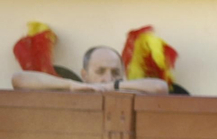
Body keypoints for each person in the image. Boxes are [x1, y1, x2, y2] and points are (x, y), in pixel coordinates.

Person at [12, 45, 171, 95]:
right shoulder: (73, 89)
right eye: (100, 72)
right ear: (85, 75)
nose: (108, 78)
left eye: (115, 73)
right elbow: (19, 80)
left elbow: (160, 87)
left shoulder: (126, 91)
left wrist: (114, 87)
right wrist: (70, 85)